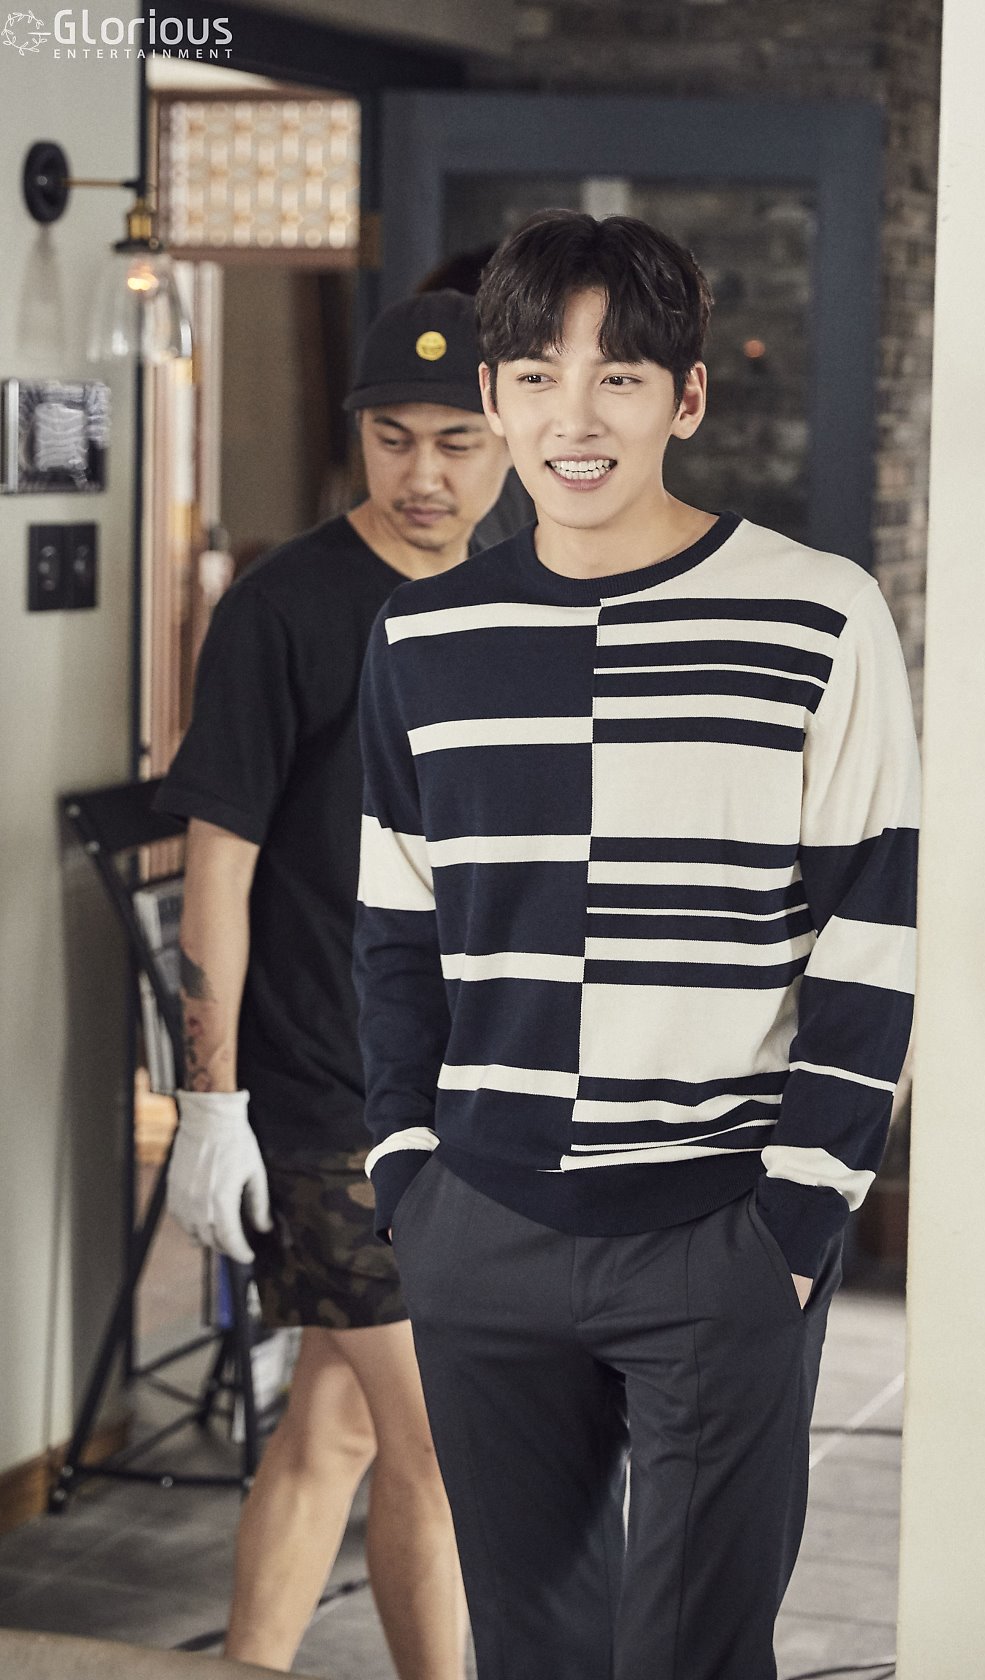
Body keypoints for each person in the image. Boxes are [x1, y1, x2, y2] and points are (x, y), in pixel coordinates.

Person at [355, 211, 921, 1680]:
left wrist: (796, 1218)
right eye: (537, 375)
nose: (575, 417)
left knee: (694, 1656)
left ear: (688, 398)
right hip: (482, 1223)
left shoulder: (819, 617)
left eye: (618, 377)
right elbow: (396, 934)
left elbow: (872, 930)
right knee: (531, 1653)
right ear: (493, 398)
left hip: (719, 1229)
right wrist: (410, 1177)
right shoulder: (420, 641)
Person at [157, 289, 511, 1675]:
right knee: (446, 1441)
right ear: (358, 433)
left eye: (458, 442)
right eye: (393, 437)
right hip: (329, 1098)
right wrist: (209, 1102)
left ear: (509, 438)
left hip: (462, 1091)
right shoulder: (283, 609)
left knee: (338, 1428)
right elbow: (218, 866)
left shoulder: (517, 596)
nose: (424, 474)